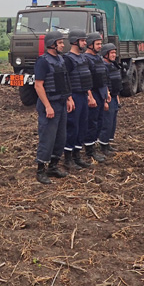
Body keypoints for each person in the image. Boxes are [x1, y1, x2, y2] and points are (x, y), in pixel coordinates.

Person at [34, 31, 75, 184]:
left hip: (62, 104)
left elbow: (65, 82)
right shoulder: (43, 62)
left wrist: (69, 98)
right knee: (47, 138)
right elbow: (38, 86)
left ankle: (53, 166)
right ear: (52, 44)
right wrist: (47, 106)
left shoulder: (61, 60)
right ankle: (40, 170)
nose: (63, 45)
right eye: (60, 43)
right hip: (50, 105)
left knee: (60, 137)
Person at [63, 29, 95, 171]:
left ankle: (77, 155)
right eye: (82, 40)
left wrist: (89, 95)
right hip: (74, 96)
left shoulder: (83, 58)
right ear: (75, 41)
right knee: (72, 127)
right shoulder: (68, 59)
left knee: (82, 126)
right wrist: (69, 98)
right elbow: (65, 80)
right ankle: (68, 158)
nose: (85, 43)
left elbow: (85, 79)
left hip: (83, 95)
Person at [83, 32, 110, 164]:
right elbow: (85, 81)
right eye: (98, 44)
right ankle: (89, 150)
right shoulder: (86, 59)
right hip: (92, 95)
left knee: (99, 122)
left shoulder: (99, 59)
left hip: (100, 94)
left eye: (101, 44)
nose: (100, 46)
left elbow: (103, 78)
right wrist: (90, 97)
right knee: (91, 123)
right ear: (90, 44)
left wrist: (106, 94)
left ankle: (94, 146)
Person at [98, 43, 122, 154]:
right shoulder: (103, 66)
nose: (114, 55)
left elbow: (116, 84)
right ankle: (103, 145)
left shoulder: (113, 65)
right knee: (106, 122)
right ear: (105, 54)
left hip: (114, 97)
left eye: (114, 52)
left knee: (112, 122)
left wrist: (117, 98)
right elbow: (104, 84)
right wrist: (105, 101)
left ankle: (107, 143)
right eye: (112, 53)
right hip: (107, 98)